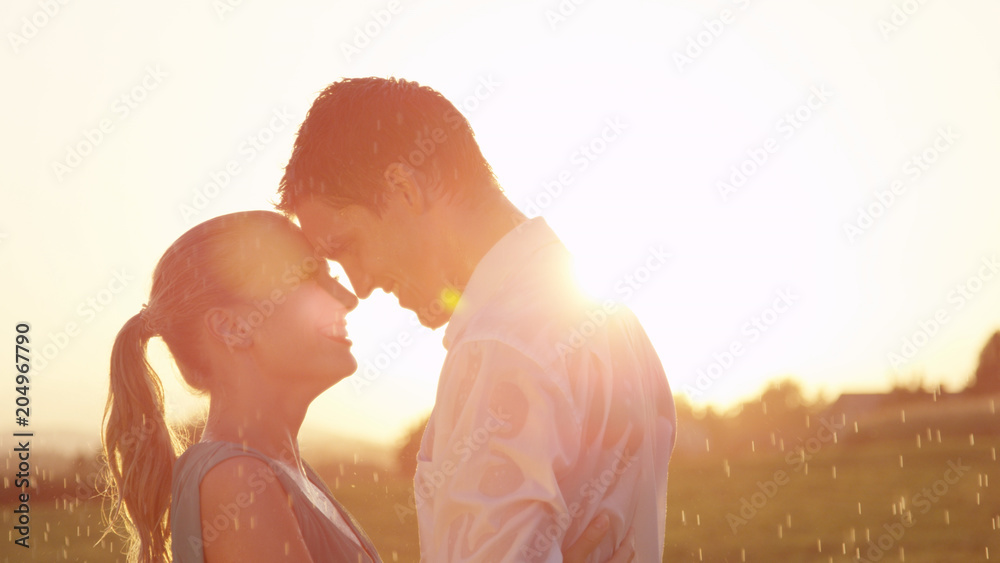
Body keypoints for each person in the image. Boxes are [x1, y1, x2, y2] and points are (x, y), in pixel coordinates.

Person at [277, 77, 676, 561]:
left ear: (403, 188)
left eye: (347, 248)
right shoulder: (614, 322)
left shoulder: (499, 345)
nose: (360, 286)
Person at [99, 210, 632, 563]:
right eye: (310, 276)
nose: (347, 295)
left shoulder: (285, 474)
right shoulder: (237, 482)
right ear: (233, 326)